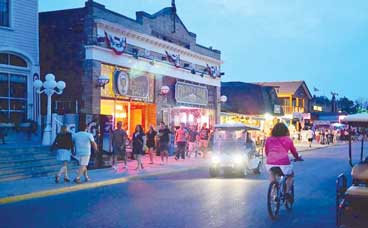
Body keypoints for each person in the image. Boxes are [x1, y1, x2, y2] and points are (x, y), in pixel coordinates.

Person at [265, 123, 302, 200]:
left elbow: (267, 151)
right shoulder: (288, 139)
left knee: (272, 173)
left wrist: (270, 157)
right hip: (283, 162)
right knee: (290, 175)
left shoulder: (269, 139)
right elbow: (293, 151)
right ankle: (287, 192)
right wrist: (297, 158)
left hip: (270, 161)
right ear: (286, 131)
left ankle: (273, 192)